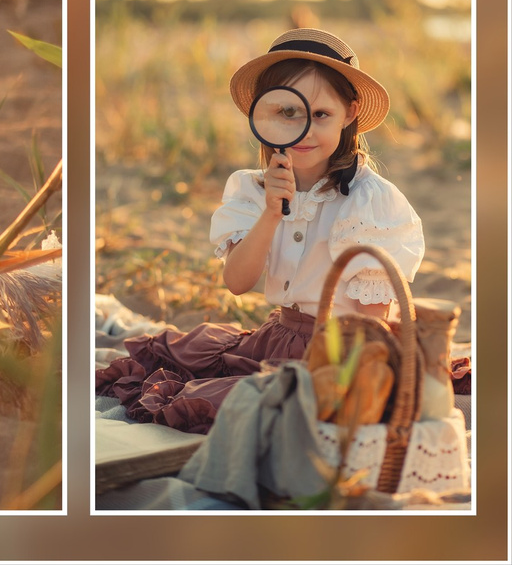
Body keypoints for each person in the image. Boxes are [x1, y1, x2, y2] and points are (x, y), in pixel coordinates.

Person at [96, 28, 461, 433]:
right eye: (288, 113)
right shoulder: (252, 189)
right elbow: (237, 283)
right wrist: (272, 212)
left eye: (320, 115)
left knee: (241, 403)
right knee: (174, 363)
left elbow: (371, 325)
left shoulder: (370, 201)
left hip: (345, 350)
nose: (305, 130)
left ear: (350, 113)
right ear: (265, 115)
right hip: (279, 337)